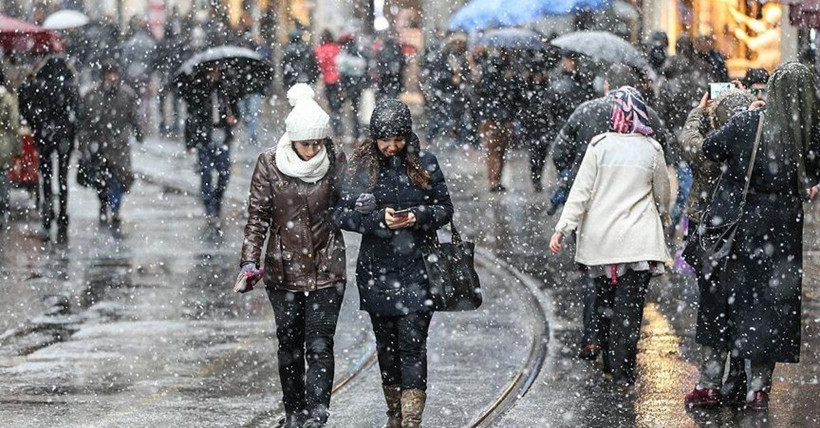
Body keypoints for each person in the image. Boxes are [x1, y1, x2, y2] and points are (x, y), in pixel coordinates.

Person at [686, 62, 820, 410]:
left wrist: (719, 115)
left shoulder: (750, 122)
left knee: (721, 305)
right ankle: (758, 390)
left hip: (738, 231)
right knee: (770, 310)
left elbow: (710, 150)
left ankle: (710, 384)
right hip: (781, 237)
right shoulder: (806, 134)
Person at [333, 98, 453, 428]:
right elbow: (340, 214)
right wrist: (375, 220)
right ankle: (394, 413)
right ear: (374, 138)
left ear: (407, 136)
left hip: (418, 269)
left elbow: (445, 209)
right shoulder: (360, 170)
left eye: (397, 139)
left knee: (413, 344)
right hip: (377, 272)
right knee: (386, 347)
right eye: (385, 140)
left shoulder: (425, 164)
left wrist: (417, 216)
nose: (391, 147)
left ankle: (411, 420)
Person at [239, 84, 346, 428]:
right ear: (292, 139)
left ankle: (316, 414)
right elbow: (257, 217)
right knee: (289, 345)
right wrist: (249, 261)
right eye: (306, 143)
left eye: (317, 143)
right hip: (282, 271)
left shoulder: (334, 159)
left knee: (319, 344)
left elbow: (348, 205)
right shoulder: (269, 164)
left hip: (327, 268)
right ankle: (294, 412)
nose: (312, 149)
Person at [550, 87, 671, 387]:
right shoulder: (652, 149)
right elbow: (662, 194)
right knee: (630, 310)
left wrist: (562, 228)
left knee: (604, 305)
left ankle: (606, 354)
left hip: (600, 242)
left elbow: (580, 192)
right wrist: (664, 216)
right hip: (638, 245)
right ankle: (623, 371)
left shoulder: (599, 146)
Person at [680, 88, 755, 408]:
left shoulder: (711, 149)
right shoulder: (753, 140)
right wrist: (748, 101)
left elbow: (688, 140)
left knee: (713, 306)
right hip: (745, 231)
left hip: (710, 232)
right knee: (742, 305)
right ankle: (739, 377)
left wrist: (699, 111)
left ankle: (710, 382)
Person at [550, 64, 674, 215]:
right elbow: (663, 158)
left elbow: (559, 152)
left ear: (606, 85)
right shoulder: (649, 116)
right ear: (634, 88)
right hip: (633, 201)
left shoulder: (585, 111)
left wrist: (571, 176)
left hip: (588, 196)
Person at [19, 56, 79, 242]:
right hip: (63, 136)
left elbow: (24, 105)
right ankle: (62, 213)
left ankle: (47, 210)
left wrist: (37, 124)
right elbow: (78, 112)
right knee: (62, 177)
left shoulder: (37, 86)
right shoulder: (69, 87)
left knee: (46, 175)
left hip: (44, 135)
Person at [77, 61, 143, 227]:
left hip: (119, 144)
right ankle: (103, 204)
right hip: (99, 144)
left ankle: (115, 210)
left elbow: (134, 116)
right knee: (101, 179)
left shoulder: (127, 94)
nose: (113, 78)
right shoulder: (92, 95)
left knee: (119, 178)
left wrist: (138, 132)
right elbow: (85, 122)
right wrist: (84, 143)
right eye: (109, 74)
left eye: (115, 74)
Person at [182, 65, 239, 220]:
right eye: (211, 70)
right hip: (205, 137)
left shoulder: (226, 91)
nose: (214, 74)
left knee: (224, 172)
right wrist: (190, 142)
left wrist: (232, 119)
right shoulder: (199, 91)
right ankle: (209, 205)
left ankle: (217, 198)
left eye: (217, 70)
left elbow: (235, 111)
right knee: (206, 173)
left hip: (222, 135)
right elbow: (191, 118)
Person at [475, 49, 521, 192]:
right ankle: (493, 181)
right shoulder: (494, 72)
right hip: (495, 118)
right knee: (495, 151)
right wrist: (507, 82)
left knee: (500, 151)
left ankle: (496, 180)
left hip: (500, 118)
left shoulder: (498, 71)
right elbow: (492, 92)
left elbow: (515, 96)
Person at [337, 34, 369, 141]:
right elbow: (365, 71)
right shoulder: (360, 54)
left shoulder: (345, 55)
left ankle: (344, 133)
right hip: (357, 87)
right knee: (356, 111)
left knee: (343, 110)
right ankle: (356, 134)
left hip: (348, 86)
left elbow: (342, 73)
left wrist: (342, 87)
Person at [0, 69, 21, 226]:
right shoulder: (7, 98)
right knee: (3, 178)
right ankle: (2, 211)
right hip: (3, 145)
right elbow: (13, 126)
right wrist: (17, 150)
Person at [315, 30, 343, 137]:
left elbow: (319, 66)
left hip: (327, 81)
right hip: (338, 80)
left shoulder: (319, 50)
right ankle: (339, 128)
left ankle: (336, 127)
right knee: (338, 106)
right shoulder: (337, 49)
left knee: (331, 105)